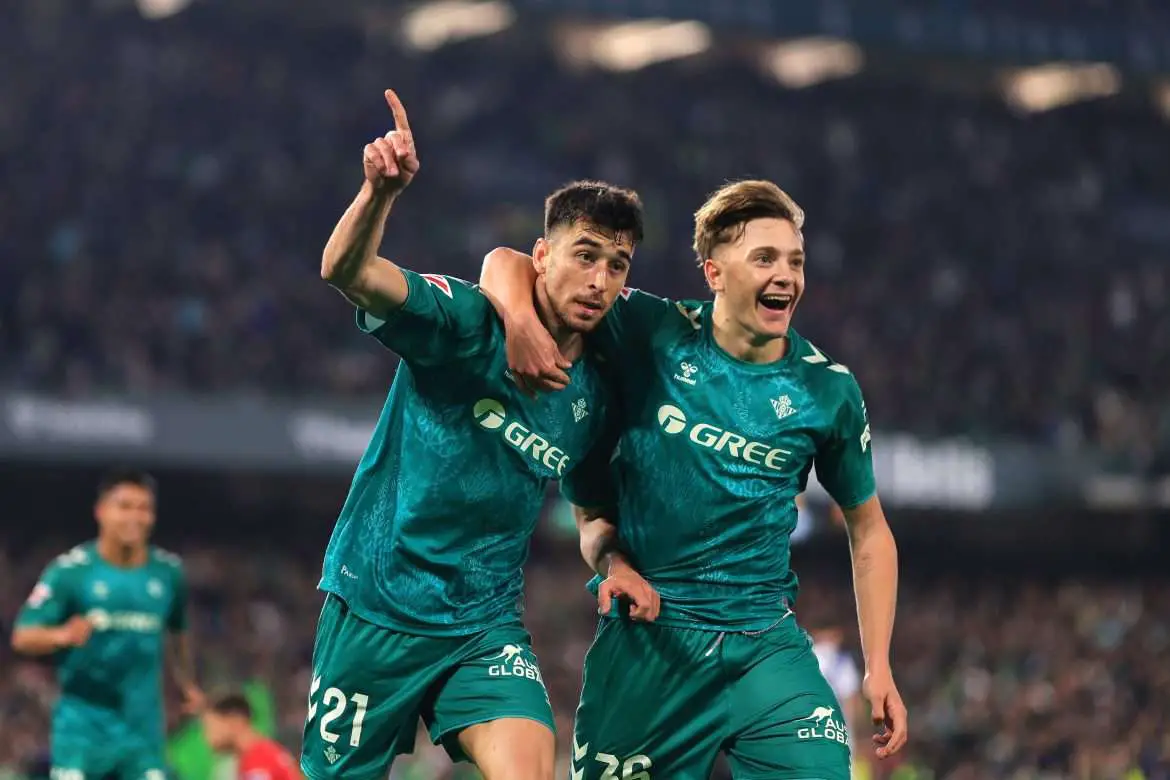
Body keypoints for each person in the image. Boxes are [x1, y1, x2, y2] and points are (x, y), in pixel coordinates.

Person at [480, 179, 908, 779]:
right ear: (714, 273)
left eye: (795, 261)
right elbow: (510, 265)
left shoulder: (827, 390)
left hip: (764, 643)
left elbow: (869, 532)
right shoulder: (652, 330)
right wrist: (522, 321)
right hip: (652, 636)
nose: (786, 276)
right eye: (765, 259)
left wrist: (878, 665)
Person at [300, 88, 645, 780]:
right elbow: (346, 271)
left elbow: (591, 509)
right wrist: (378, 194)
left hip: (482, 626)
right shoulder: (463, 323)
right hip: (375, 606)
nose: (599, 280)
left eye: (617, 265)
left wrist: (613, 561)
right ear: (541, 255)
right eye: (584, 256)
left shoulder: (599, 390)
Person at [11, 469, 202, 780]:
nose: (135, 517)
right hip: (82, 729)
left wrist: (186, 684)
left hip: (142, 732)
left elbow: (178, 631)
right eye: (124, 506)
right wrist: (62, 635)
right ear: (101, 511)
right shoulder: (71, 572)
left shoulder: (168, 574)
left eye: (144, 508)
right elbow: (23, 637)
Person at [203, 693, 301, 780]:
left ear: (235, 721)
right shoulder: (261, 754)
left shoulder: (258, 762)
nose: (208, 737)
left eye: (211, 727)